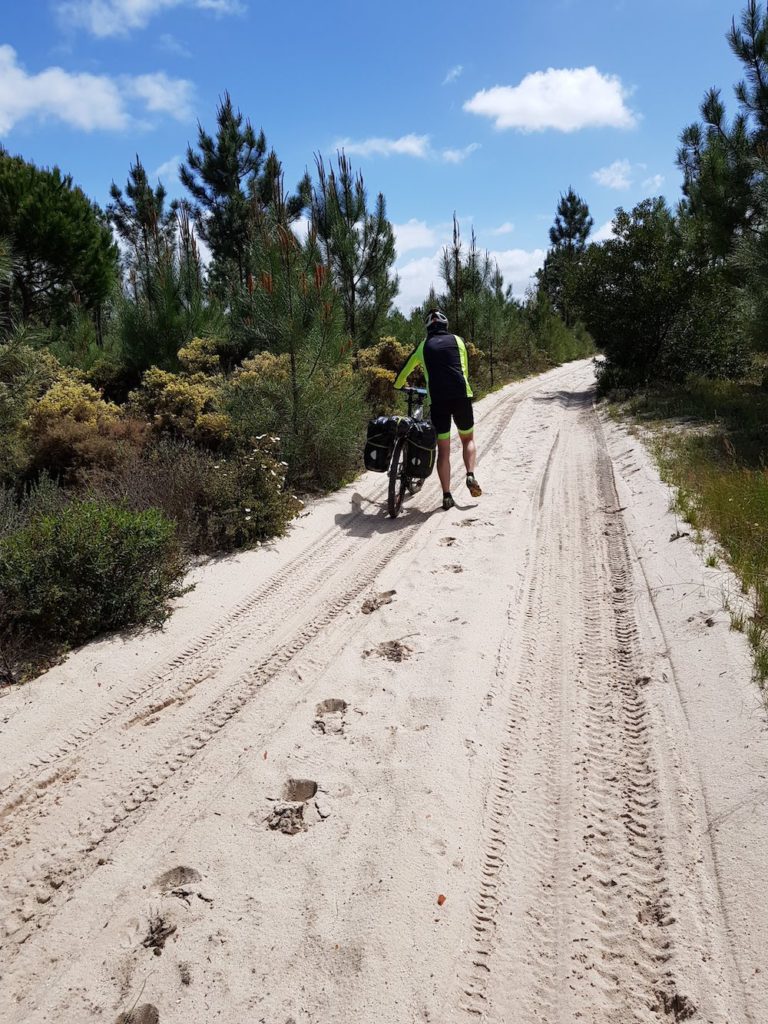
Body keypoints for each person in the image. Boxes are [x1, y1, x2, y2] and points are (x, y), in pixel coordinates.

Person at [394, 309, 482, 511]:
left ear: (428, 328)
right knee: (468, 439)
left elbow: (403, 372)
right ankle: (470, 475)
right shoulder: (459, 341)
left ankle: (447, 496)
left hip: (438, 401)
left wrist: (399, 386)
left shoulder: (423, 347)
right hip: (461, 396)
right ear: (445, 325)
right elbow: (464, 370)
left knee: (443, 450)